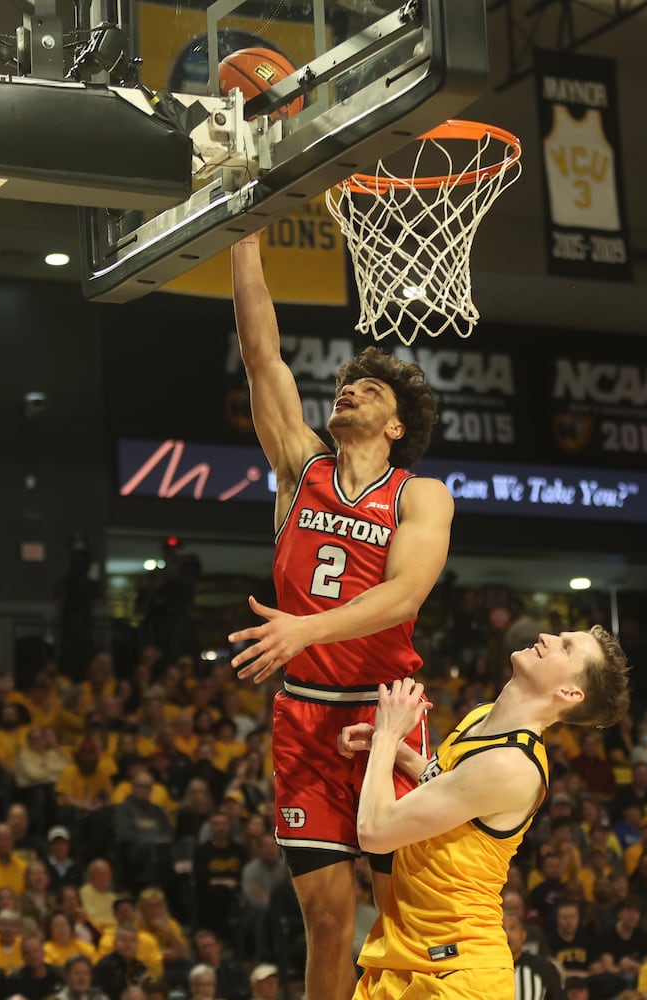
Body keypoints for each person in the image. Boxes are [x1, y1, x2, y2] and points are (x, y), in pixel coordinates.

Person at [228, 233, 454, 1000]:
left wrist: (303, 628)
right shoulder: (300, 466)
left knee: (402, 915)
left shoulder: (420, 494)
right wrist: (242, 236)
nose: (349, 390)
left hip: (386, 715)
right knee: (329, 920)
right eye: (348, 384)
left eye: (370, 390)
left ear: (397, 427)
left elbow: (404, 597)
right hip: (306, 718)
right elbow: (263, 355)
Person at [339, 626, 630, 998]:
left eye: (565, 646)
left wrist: (387, 736)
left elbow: (375, 831)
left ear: (569, 693)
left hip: (457, 971)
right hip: (406, 952)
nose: (546, 637)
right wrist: (399, 753)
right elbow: (447, 784)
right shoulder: (483, 716)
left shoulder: (512, 765)